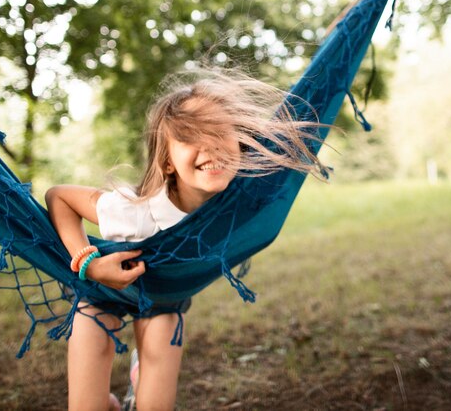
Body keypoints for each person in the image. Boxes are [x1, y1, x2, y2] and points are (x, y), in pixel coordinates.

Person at [45, 67, 325, 411]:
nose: (210, 147)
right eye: (191, 138)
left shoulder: (239, 208)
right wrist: (89, 262)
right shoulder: (132, 210)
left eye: (220, 132)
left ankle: (140, 381)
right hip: (102, 291)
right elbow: (59, 196)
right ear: (166, 162)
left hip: (163, 299)